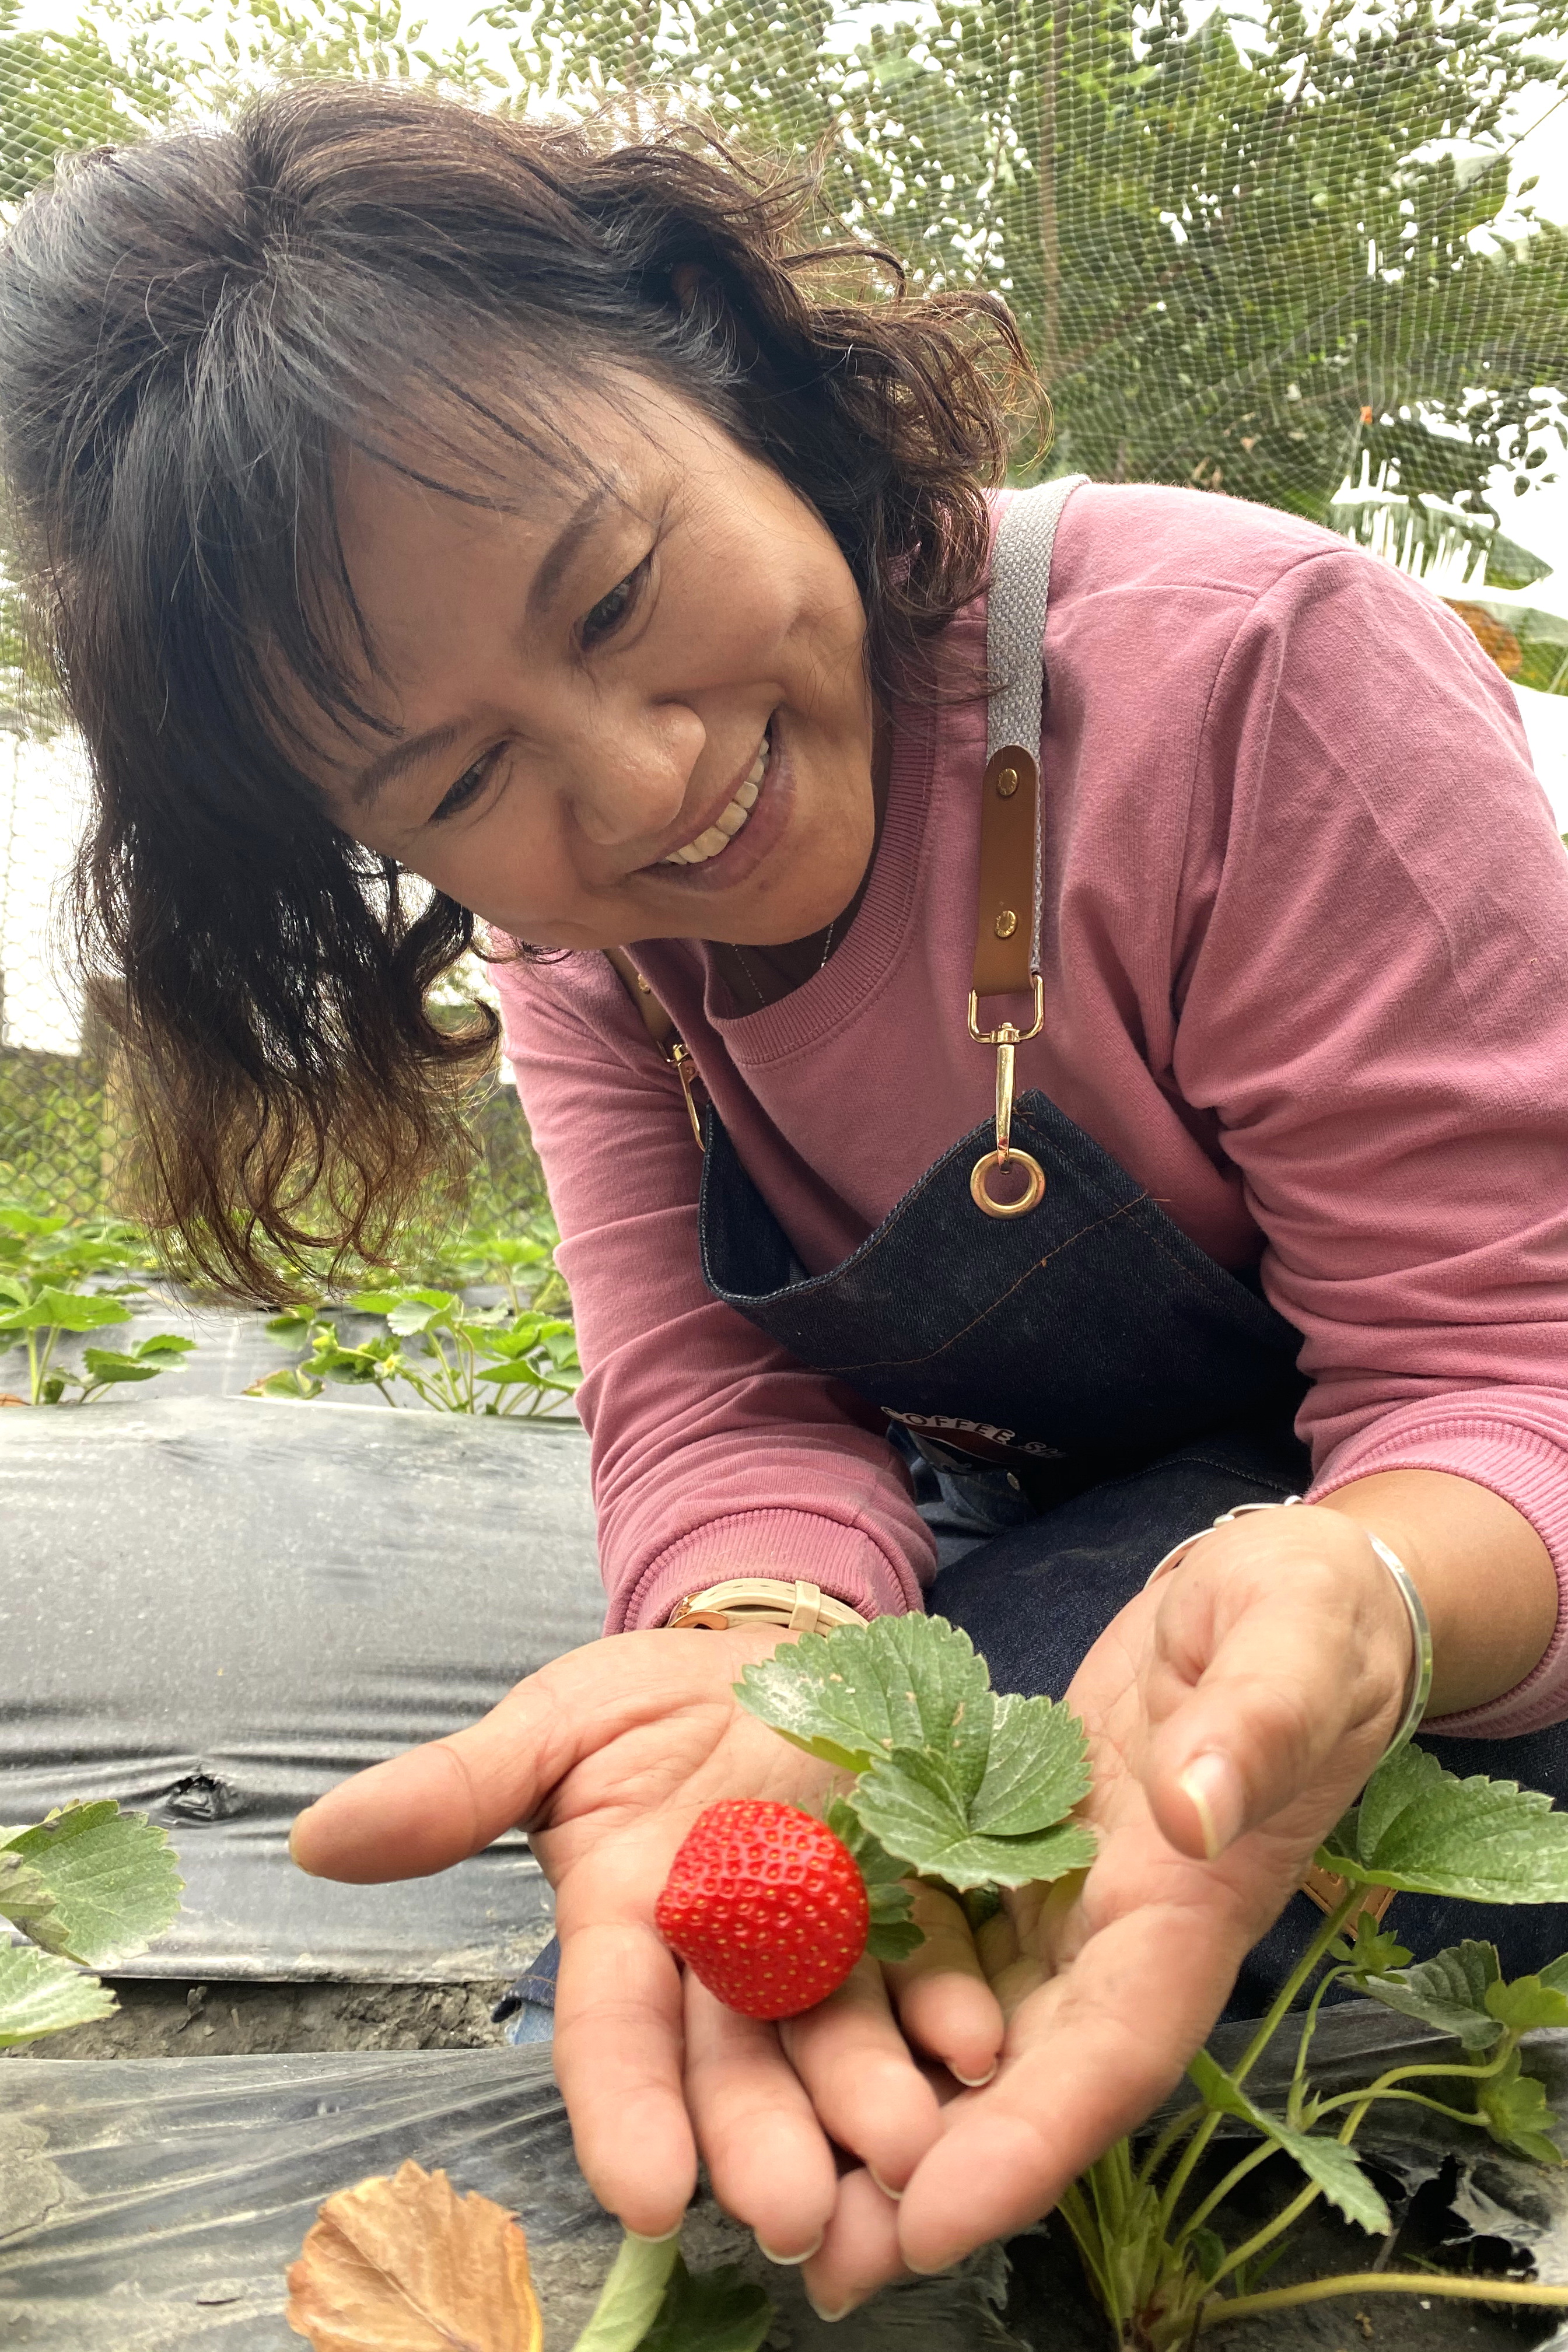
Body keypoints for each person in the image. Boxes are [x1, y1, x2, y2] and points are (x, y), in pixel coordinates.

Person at [4, 75, 1567, 2325]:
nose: (642, 783)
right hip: (1132, 1516)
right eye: (461, 778)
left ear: (717, 369)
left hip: (1442, 1511)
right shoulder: (590, 957)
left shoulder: (1245, 683)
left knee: (1090, 1916)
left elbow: (1506, 1362)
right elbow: (720, 1396)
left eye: (621, 590)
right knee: (760, 1917)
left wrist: (1373, 1593)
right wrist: (770, 1648)